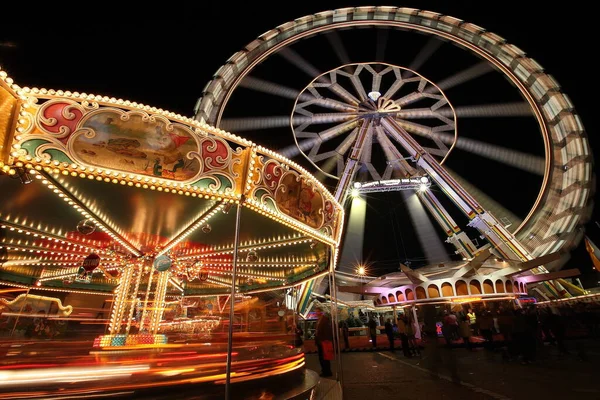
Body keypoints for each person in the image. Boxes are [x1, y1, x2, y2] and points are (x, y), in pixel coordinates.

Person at [315, 307, 333, 377]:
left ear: (321, 312)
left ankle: (327, 371)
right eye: (316, 311)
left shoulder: (324, 320)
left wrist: (325, 340)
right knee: (321, 357)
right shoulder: (318, 320)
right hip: (320, 342)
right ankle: (324, 370)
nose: (316, 313)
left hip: (323, 342)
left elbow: (327, 331)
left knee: (324, 357)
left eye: (318, 311)